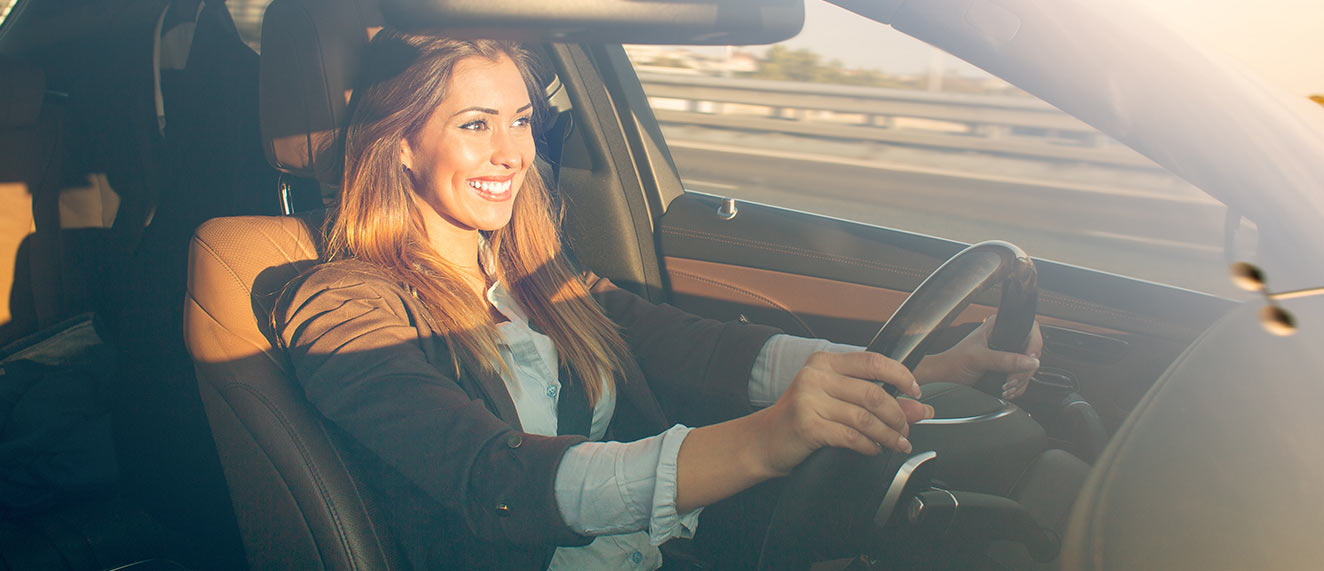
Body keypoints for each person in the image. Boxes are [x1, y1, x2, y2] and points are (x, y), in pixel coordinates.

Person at [274, 31, 1042, 570]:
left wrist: (927, 360)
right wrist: (764, 441)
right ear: (400, 142)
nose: (514, 153)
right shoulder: (343, 307)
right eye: (476, 125)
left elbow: (695, 346)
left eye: (520, 121)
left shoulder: (535, 274)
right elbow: (495, 481)